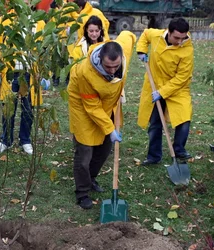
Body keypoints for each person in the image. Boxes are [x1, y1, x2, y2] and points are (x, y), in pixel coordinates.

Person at [68, 31, 136, 209]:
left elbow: (128, 35)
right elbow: (92, 107)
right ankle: (82, 192)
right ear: (100, 60)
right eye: (108, 67)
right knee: (85, 151)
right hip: (83, 107)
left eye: (116, 66)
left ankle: (90, 179)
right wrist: (110, 128)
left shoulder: (123, 53)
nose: (112, 70)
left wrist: (143, 50)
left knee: (105, 149)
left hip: (107, 105)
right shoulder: (85, 73)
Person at [136, 17, 194, 166]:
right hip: (154, 83)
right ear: (168, 32)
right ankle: (154, 156)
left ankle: (179, 150)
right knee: (155, 122)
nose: (180, 42)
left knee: (184, 119)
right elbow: (145, 34)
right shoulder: (156, 35)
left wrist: (163, 92)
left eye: (183, 38)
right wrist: (141, 50)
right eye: (176, 38)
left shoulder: (187, 50)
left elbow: (182, 77)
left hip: (177, 88)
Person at [0, 3, 47, 155]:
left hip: (30, 74)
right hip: (10, 72)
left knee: (28, 109)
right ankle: (6, 140)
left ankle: (25, 140)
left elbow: (44, 47)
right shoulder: (5, 20)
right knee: (8, 108)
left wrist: (43, 71)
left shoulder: (39, 22)